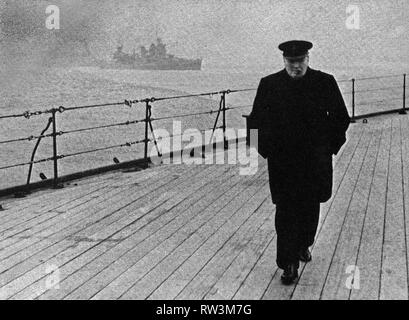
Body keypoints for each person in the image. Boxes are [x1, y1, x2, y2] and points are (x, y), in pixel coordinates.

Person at [248, 40, 350, 285]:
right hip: (283, 163)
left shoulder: (324, 83)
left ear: (308, 59)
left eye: (300, 61)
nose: (296, 66)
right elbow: (254, 123)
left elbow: (342, 119)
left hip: (315, 162)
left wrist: (329, 148)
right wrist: (264, 151)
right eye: (291, 62)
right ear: (284, 61)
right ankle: (289, 263)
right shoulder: (269, 85)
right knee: (285, 213)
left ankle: (304, 243)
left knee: (310, 208)